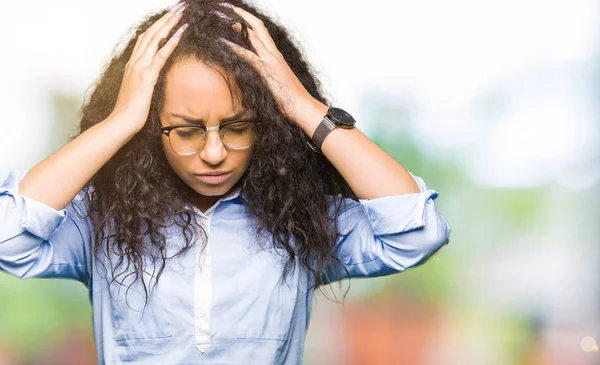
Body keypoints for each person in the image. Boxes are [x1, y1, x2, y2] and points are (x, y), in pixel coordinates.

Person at [0, 1, 451, 364]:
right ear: (151, 127)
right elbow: (7, 237)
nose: (214, 153)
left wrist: (305, 107)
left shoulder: (300, 221)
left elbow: (416, 232)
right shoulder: (101, 221)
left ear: (267, 126)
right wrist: (120, 122)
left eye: (237, 126)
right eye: (187, 130)